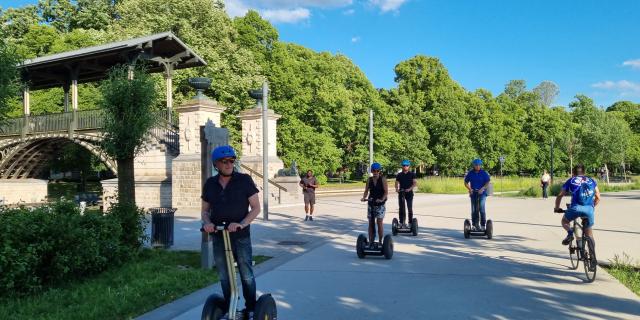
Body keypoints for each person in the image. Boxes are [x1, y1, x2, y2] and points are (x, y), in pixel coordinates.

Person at [201, 145, 260, 320]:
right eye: (224, 161)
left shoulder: (244, 180)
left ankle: (250, 308)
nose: (228, 164)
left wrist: (241, 224)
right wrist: (208, 223)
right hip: (219, 235)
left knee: (246, 274)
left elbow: (256, 208)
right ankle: (229, 308)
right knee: (224, 276)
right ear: (216, 164)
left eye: (231, 161)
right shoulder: (210, 184)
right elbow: (205, 211)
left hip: (240, 236)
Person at [554, 164, 601, 246]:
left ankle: (570, 233)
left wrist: (557, 208)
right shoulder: (591, 181)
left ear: (573, 172)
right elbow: (598, 197)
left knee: (564, 221)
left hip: (575, 208)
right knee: (590, 235)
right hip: (589, 209)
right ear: (584, 172)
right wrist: (592, 206)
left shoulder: (571, 180)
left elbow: (560, 195)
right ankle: (593, 257)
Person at [361, 162, 388, 248]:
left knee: (379, 222)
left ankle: (380, 241)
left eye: (377, 171)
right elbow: (366, 191)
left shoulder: (383, 179)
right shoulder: (369, 180)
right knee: (370, 222)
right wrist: (364, 197)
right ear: (371, 171)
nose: (375, 172)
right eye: (374, 171)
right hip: (371, 202)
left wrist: (382, 199)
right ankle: (371, 241)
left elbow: (386, 192)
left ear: (380, 171)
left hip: (380, 204)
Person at [464, 159, 491, 231]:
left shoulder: (483, 173)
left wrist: (483, 188)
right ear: (474, 165)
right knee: (474, 210)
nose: (478, 166)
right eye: (476, 165)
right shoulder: (470, 173)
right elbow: (465, 182)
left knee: (481, 209)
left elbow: (488, 181)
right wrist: (470, 189)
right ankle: (474, 225)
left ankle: (482, 225)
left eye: (479, 165)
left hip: (482, 194)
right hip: (473, 193)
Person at [395, 159, 417, 228]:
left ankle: (410, 223)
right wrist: (397, 189)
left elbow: (414, 183)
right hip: (401, 192)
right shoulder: (399, 175)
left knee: (409, 208)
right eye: (404, 166)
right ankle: (401, 222)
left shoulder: (412, 174)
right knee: (401, 208)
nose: (405, 167)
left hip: (409, 193)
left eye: (406, 166)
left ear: (409, 166)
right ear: (402, 166)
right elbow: (396, 182)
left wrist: (410, 189)